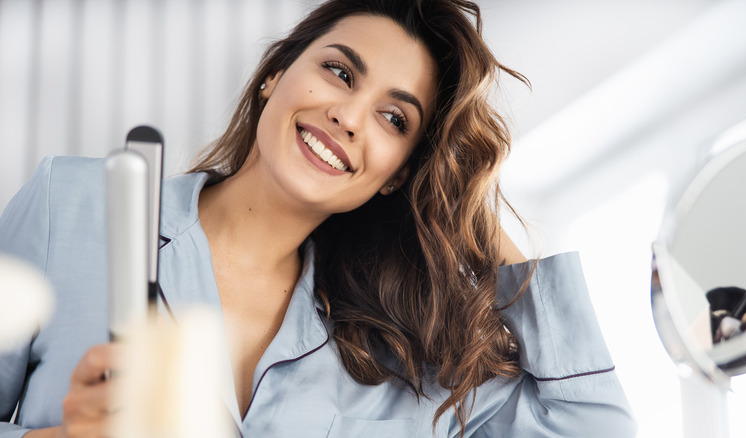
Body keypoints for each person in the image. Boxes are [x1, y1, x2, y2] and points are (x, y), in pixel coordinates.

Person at [0, 0, 636, 437]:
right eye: (338, 71)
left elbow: (593, 425)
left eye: (395, 119)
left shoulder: (401, 366)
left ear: (400, 176)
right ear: (274, 76)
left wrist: (466, 209)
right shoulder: (75, 205)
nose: (350, 116)